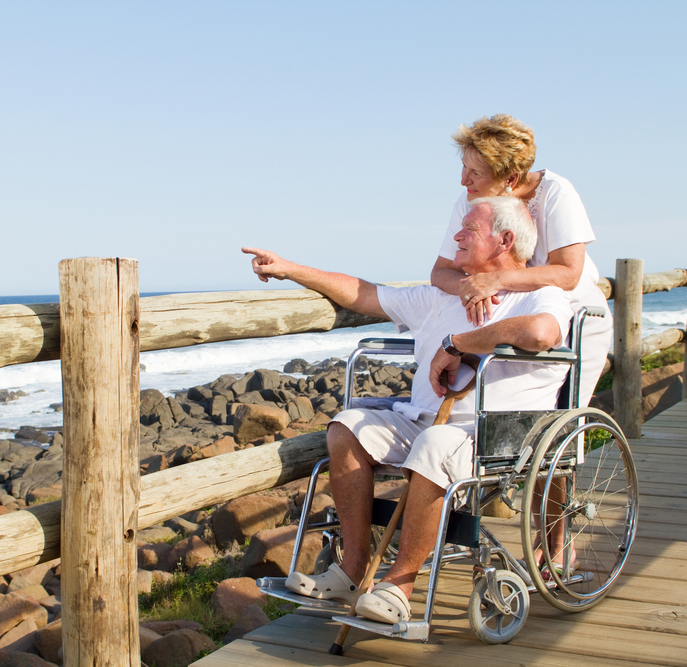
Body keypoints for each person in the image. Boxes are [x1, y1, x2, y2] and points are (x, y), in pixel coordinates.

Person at [242, 196, 573, 624]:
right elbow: (365, 295)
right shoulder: (443, 297)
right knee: (348, 427)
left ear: (504, 240)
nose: (456, 235)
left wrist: (458, 344)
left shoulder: (538, 296)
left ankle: (399, 586)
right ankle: (352, 570)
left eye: (468, 230)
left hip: (490, 433)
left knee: (436, 444)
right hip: (421, 420)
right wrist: (291, 269)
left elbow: (542, 333)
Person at [431, 114, 612, 408]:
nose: (464, 180)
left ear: (510, 179)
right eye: (464, 166)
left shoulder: (556, 192)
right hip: (511, 323)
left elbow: (568, 274)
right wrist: (470, 288)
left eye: (475, 172)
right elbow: (441, 273)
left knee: (561, 418)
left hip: (575, 321)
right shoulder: (469, 200)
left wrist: (494, 281)